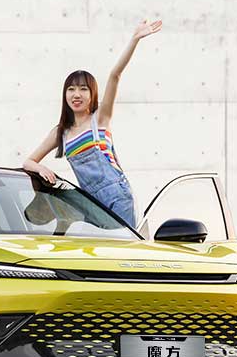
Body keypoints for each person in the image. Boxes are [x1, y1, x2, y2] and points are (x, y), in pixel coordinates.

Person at [22, 19, 162, 227]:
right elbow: (28, 162)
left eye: (83, 89)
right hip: (91, 205)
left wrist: (134, 39)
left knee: (123, 244)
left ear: (92, 94)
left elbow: (114, 76)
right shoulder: (61, 133)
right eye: (71, 89)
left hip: (118, 197)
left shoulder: (100, 119)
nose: (76, 94)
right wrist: (41, 169)